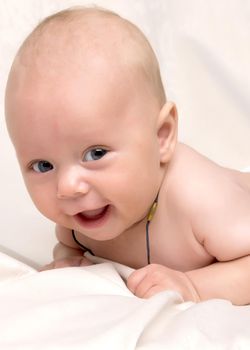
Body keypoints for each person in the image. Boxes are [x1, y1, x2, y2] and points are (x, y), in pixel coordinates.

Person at [5, 6, 250, 305]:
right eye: (43, 165)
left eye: (95, 153)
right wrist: (69, 261)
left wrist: (194, 286)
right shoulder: (77, 215)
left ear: (161, 137)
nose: (67, 186)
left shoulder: (200, 199)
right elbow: (68, 246)